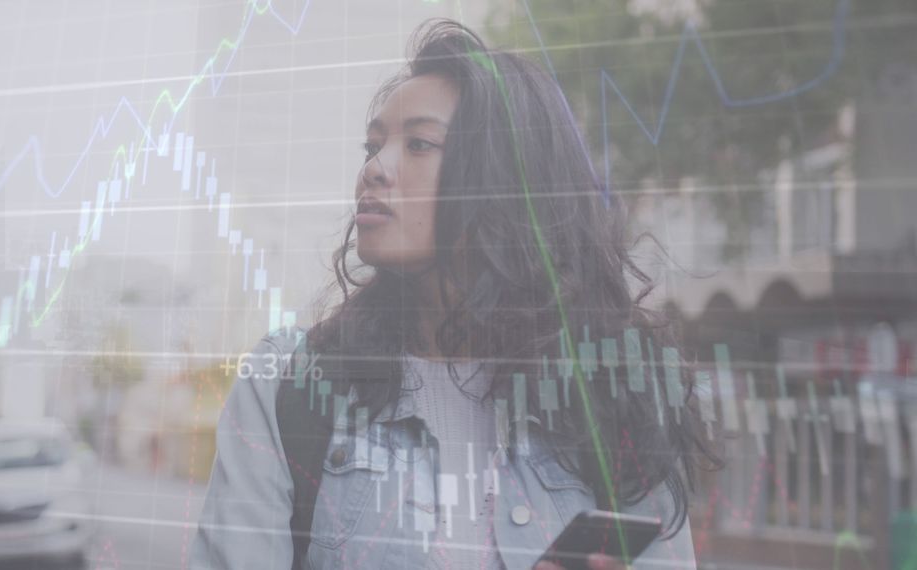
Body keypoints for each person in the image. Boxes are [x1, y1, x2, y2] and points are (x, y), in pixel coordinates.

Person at [192, 19, 715, 570]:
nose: (374, 168)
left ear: (507, 179)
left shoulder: (613, 389)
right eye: (372, 146)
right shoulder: (288, 383)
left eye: (419, 144)